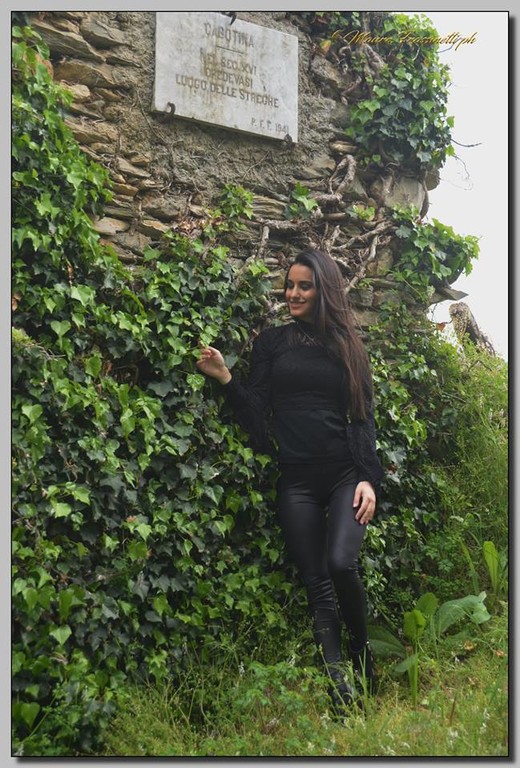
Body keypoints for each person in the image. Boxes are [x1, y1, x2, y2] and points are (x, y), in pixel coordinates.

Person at [197, 248, 383, 715]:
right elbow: (258, 414)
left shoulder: (348, 346)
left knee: (341, 564)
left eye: (304, 286)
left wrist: (368, 478)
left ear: (324, 290)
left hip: (344, 474)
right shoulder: (272, 343)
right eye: (290, 285)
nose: (293, 294)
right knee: (316, 581)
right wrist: (226, 378)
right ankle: (340, 689)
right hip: (296, 479)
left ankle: (363, 656)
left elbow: (362, 418)